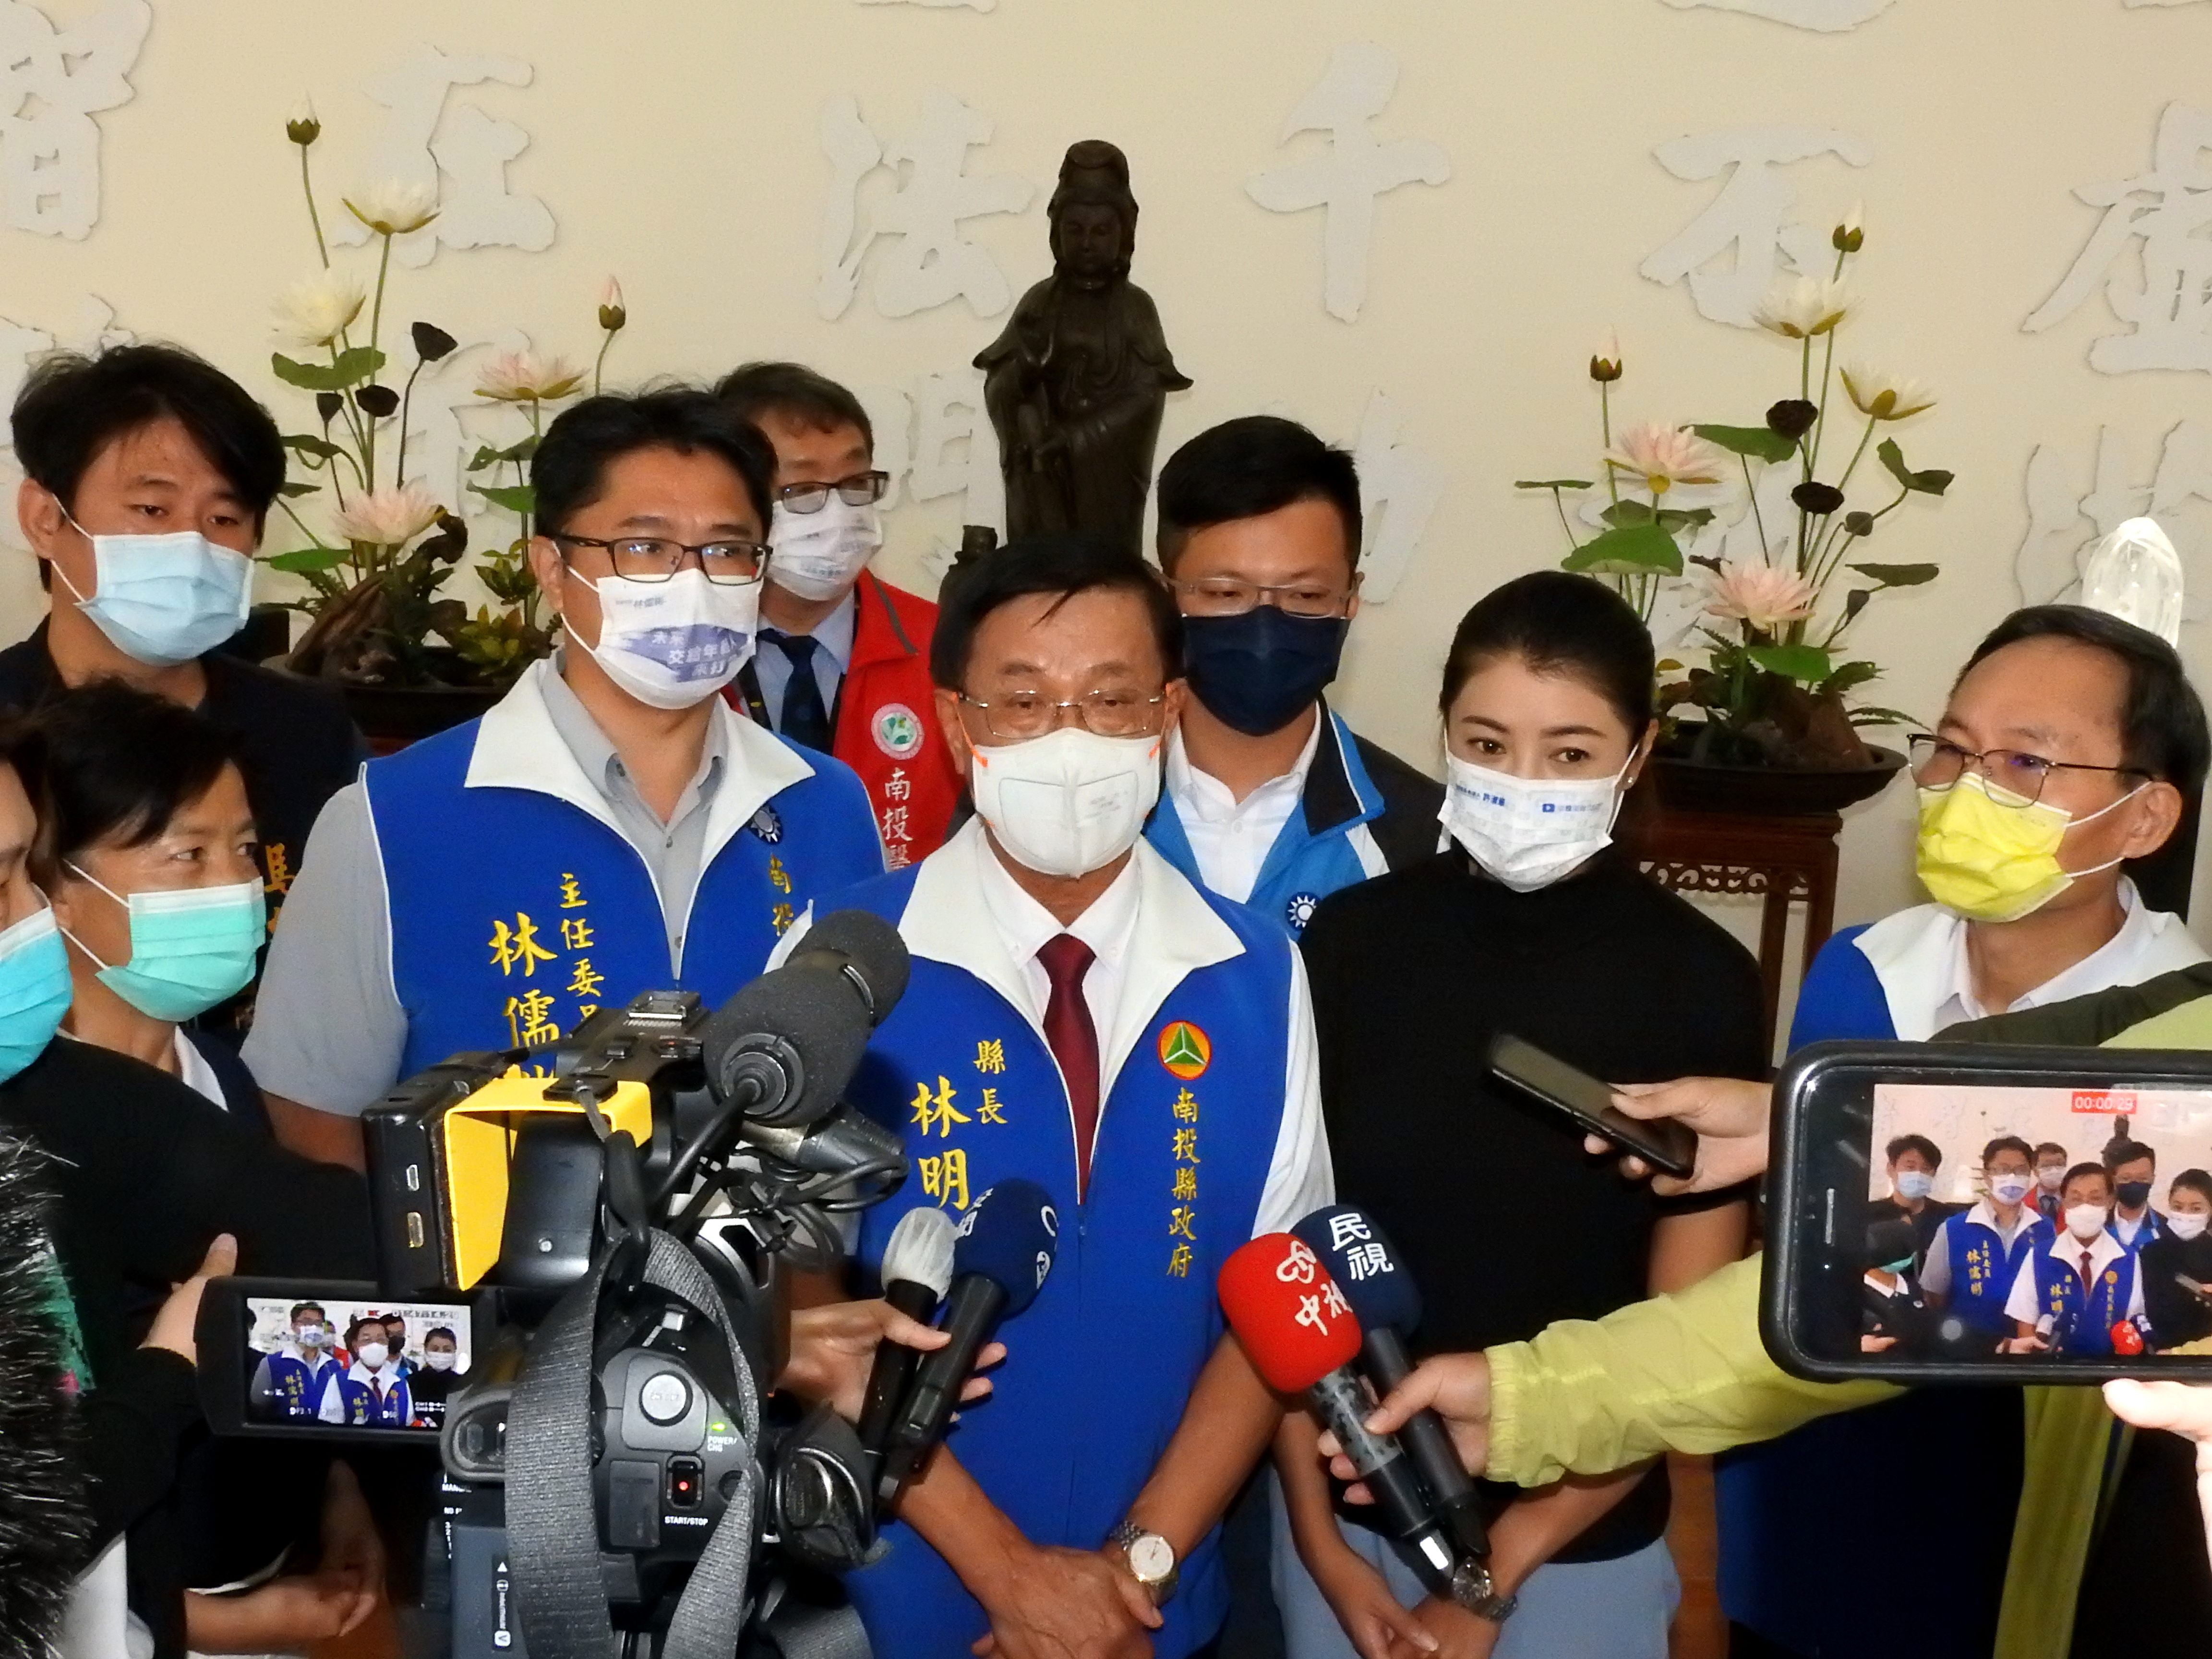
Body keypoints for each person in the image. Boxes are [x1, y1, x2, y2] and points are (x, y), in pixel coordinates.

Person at [786, 534, 1332, 1659]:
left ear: (1170, 709)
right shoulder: (841, 958)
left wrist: (1132, 1570)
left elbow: (1270, 1307)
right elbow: (797, 1300)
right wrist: (1014, 1576)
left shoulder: (1256, 973)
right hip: (896, 1589)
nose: (1071, 738)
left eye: (1112, 697)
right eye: (1024, 700)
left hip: (1152, 1605)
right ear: (955, 723)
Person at [1280, 572, 1758, 1659]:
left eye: (1571, 754)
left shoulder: (1700, 979)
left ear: (1635, 757)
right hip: (1349, 1523)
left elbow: (1680, 1334)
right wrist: (1320, 1544)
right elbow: (1283, 1257)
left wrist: (1496, 1575)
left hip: (1579, 1543)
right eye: (1487, 744)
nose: (1522, 781)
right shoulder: (1349, 945)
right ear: (1444, 733)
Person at [1722, 602, 2212, 1659]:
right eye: (1951, 748)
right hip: (1809, 1508)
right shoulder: (1861, 973)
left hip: (2031, 1552)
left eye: (2027, 762)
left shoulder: (2182, 1046)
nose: (1965, 787)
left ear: (2142, 820)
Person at [243, 389, 886, 1168]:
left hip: (754, 1280)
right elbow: (312, 1122)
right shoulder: (392, 819)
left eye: (726, 549)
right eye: (644, 548)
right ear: (551, 567)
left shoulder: (825, 805)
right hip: (482, 1285)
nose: (692, 581)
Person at [2, 344, 364, 1035]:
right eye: (150, 509)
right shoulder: (7, 731)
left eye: (224, 520)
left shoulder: (306, 733)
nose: (192, 546)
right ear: (47, 519)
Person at [1144, 417, 1440, 938]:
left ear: (1351, 600)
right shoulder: (1072, 797)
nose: (1264, 626)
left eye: (1305, 597)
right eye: (1222, 593)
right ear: (1162, 595)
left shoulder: (1423, 836)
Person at [716, 362, 961, 865]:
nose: (839, 513)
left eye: (855, 481)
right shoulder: (688, 653)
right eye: (802, 490)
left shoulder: (946, 646)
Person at [15, 681, 267, 1126]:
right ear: (53, 886)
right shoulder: (23, 1119)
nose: (236, 884)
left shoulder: (226, 1079)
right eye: (189, 855)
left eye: (246, 849)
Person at [2004, 1163, 2148, 1356]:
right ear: (2064, 1203)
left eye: (2095, 1199)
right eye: (2076, 1199)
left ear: (2111, 1201)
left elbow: (2133, 1325)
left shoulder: (2128, 1259)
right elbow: (2025, 1321)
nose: (2085, 1207)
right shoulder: (2040, 1255)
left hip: (2107, 1377)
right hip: (2050, 1377)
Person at [1920, 1136, 2050, 1344]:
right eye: (2002, 1169)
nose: (2012, 1177)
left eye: (2020, 1170)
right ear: (1987, 1175)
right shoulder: (1954, 1229)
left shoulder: (2045, 1228)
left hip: (2028, 1346)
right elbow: (1934, 1296)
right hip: (1968, 1347)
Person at [2142, 1169, 2212, 1346]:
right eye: (2178, 1207)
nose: (2186, 1215)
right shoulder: (2150, 1254)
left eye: (2196, 1209)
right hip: (2160, 1357)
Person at [248, 1301, 339, 1423]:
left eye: (318, 1324)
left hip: (328, 1434)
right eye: (306, 1322)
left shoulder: (333, 1365)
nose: (313, 1328)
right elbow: (258, 1401)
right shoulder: (272, 1363)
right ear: (294, 1326)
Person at [1871, 1132, 1955, 1257]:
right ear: (1891, 1168)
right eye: (1910, 1167)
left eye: (1926, 1169)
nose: (1918, 1174)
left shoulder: (1949, 1219)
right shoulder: (1870, 1216)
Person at [322, 1318, 409, 1428]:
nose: (375, 1346)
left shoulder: (400, 1384)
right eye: (367, 1340)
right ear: (355, 1346)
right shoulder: (340, 1381)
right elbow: (330, 1427)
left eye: (381, 1340)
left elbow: (409, 1424)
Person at [2107, 1138, 2165, 1250]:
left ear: (2153, 1179)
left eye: (2142, 1178)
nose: (2134, 1184)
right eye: (2126, 1178)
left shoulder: (2165, 1230)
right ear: (2114, 1180)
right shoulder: (2097, 1225)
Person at [405, 1326, 464, 1429]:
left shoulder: (463, 1384)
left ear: (455, 1352)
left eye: (447, 1350)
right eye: (435, 1349)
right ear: (426, 1350)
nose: (441, 1353)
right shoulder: (410, 1382)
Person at [2034, 1140, 2071, 1224]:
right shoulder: (2024, 1202)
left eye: (2059, 1165)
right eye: (2047, 1166)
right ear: (2035, 1170)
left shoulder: (2075, 1201)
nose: (2054, 1170)